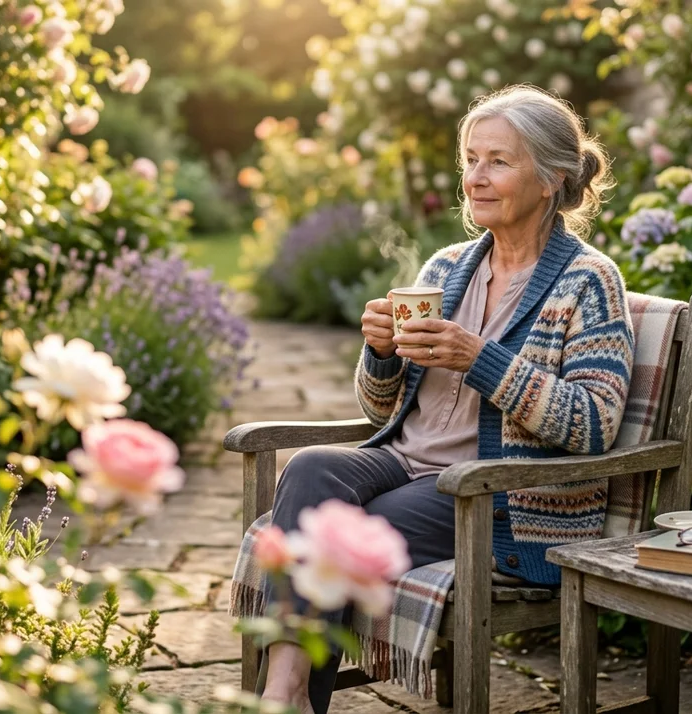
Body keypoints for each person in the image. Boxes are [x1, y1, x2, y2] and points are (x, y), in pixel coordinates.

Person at [260, 84, 634, 713]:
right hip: (406, 462)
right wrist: (380, 353)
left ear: (550, 180)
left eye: (498, 161)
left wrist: (479, 359)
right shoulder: (445, 268)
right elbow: (384, 412)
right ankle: (284, 691)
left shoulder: (589, 282)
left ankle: (286, 696)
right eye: (470, 159)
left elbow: (593, 423)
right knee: (310, 467)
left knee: (337, 534)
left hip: (495, 496)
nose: (476, 178)